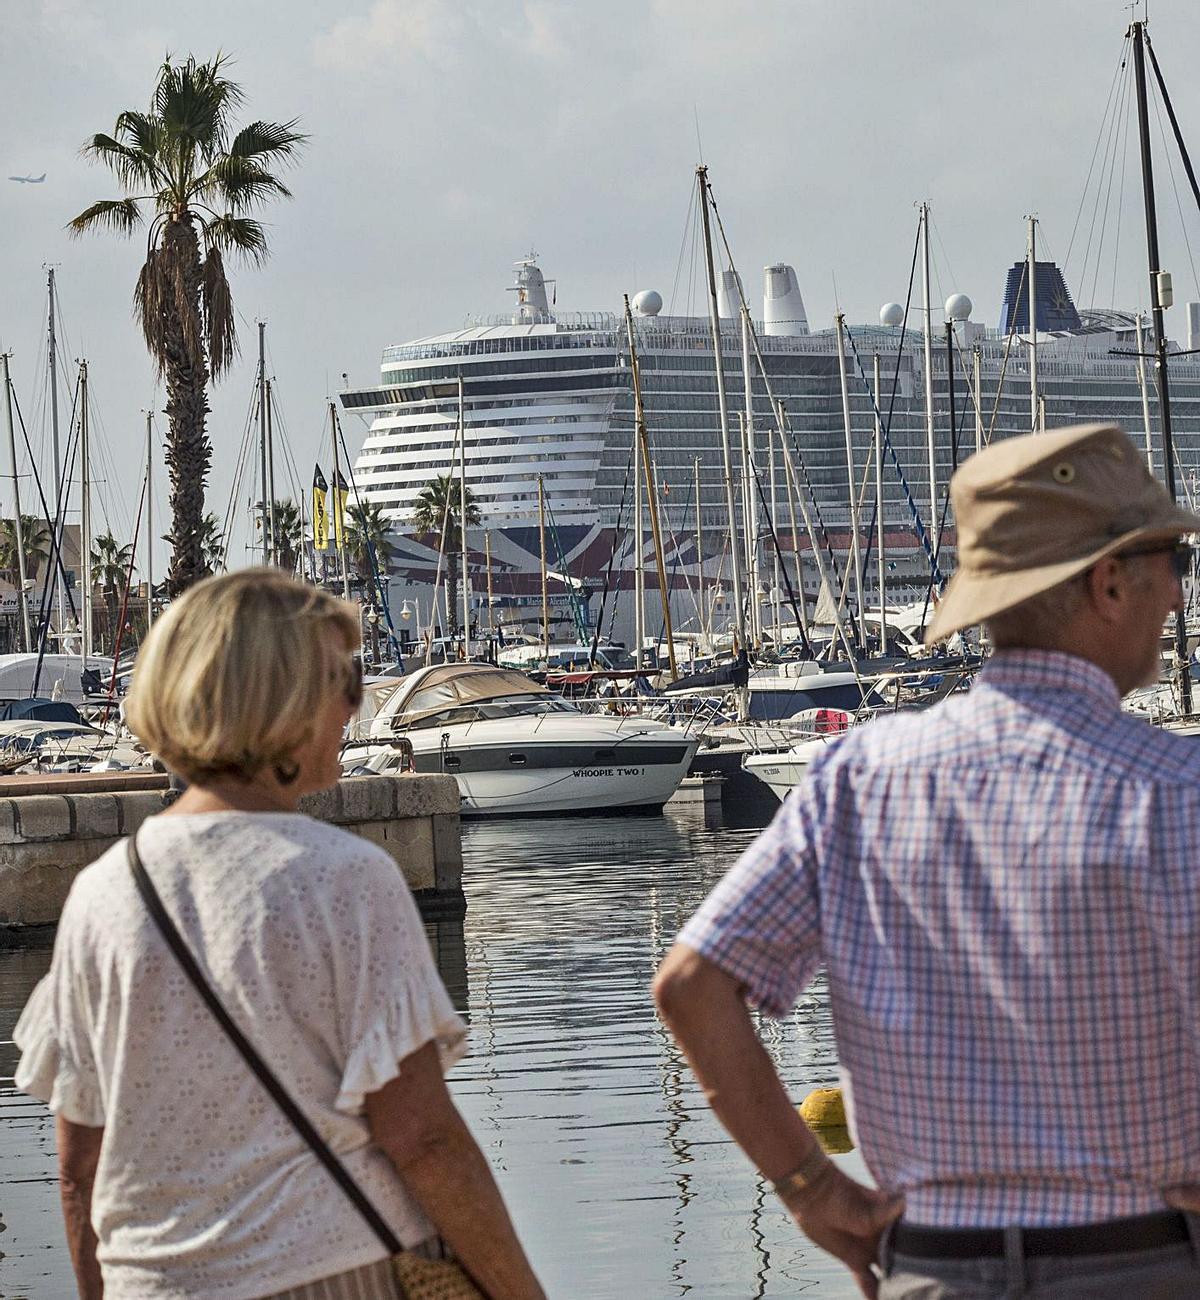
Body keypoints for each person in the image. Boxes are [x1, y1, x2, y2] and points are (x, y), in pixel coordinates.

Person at [654, 423, 1200, 1299]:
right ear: (1107, 582)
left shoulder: (855, 780)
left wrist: (809, 1187)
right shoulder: (1181, 794)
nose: (1178, 596)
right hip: (1146, 1265)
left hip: (931, 1271)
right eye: (1174, 562)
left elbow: (692, 987)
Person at [15, 569, 544, 1300]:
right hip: (328, 1270)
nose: (358, 706)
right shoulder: (344, 879)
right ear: (281, 701)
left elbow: (79, 1171)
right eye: (343, 681)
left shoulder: (101, 896)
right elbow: (422, 1138)